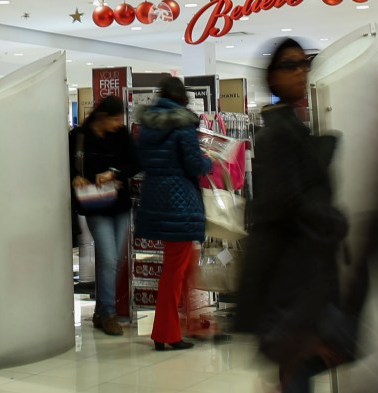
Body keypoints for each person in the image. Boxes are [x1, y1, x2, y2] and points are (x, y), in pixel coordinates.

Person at [235, 39, 349, 393]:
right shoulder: (277, 135)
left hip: (300, 277)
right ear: (271, 77)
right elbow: (285, 206)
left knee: (303, 365)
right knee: (298, 366)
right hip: (291, 280)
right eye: (290, 65)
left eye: (303, 63)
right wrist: (333, 220)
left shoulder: (294, 129)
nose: (300, 71)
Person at [134, 77, 212, 352]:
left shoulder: (147, 126)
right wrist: (209, 162)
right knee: (174, 271)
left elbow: (142, 161)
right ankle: (166, 332)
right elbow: (194, 164)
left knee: (180, 266)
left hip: (156, 199)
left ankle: (182, 326)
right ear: (182, 99)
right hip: (180, 202)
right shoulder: (183, 124)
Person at [69, 95, 138, 336]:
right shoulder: (79, 137)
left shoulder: (121, 135)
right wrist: (75, 178)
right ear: (102, 117)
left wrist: (113, 173)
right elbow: (66, 166)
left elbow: (135, 163)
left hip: (119, 205)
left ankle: (100, 310)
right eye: (115, 119)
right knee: (108, 259)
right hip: (95, 206)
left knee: (114, 260)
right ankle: (109, 313)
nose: (119, 124)